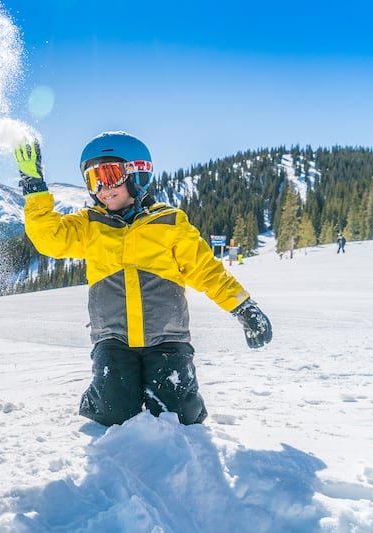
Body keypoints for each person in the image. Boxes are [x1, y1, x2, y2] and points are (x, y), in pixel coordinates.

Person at [14, 132, 272, 427]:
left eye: (108, 175)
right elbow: (49, 239)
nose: (102, 188)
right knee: (112, 412)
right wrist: (34, 189)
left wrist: (243, 307)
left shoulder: (170, 223)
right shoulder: (89, 225)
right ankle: (101, 395)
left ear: (138, 173)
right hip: (113, 339)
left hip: (167, 339)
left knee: (179, 416)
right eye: (92, 180)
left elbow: (207, 271)